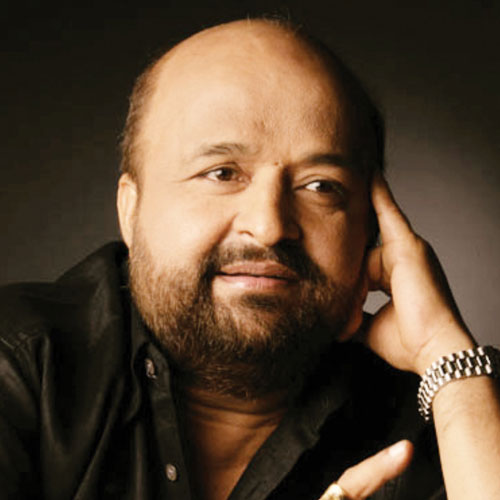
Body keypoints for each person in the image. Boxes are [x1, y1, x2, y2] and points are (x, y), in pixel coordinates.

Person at [0, 17, 499, 500]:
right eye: (222, 173)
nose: (269, 225)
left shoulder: (448, 411)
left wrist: (444, 354)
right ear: (131, 210)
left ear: (370, 229)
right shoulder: (18, 366)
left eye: (320, 186)